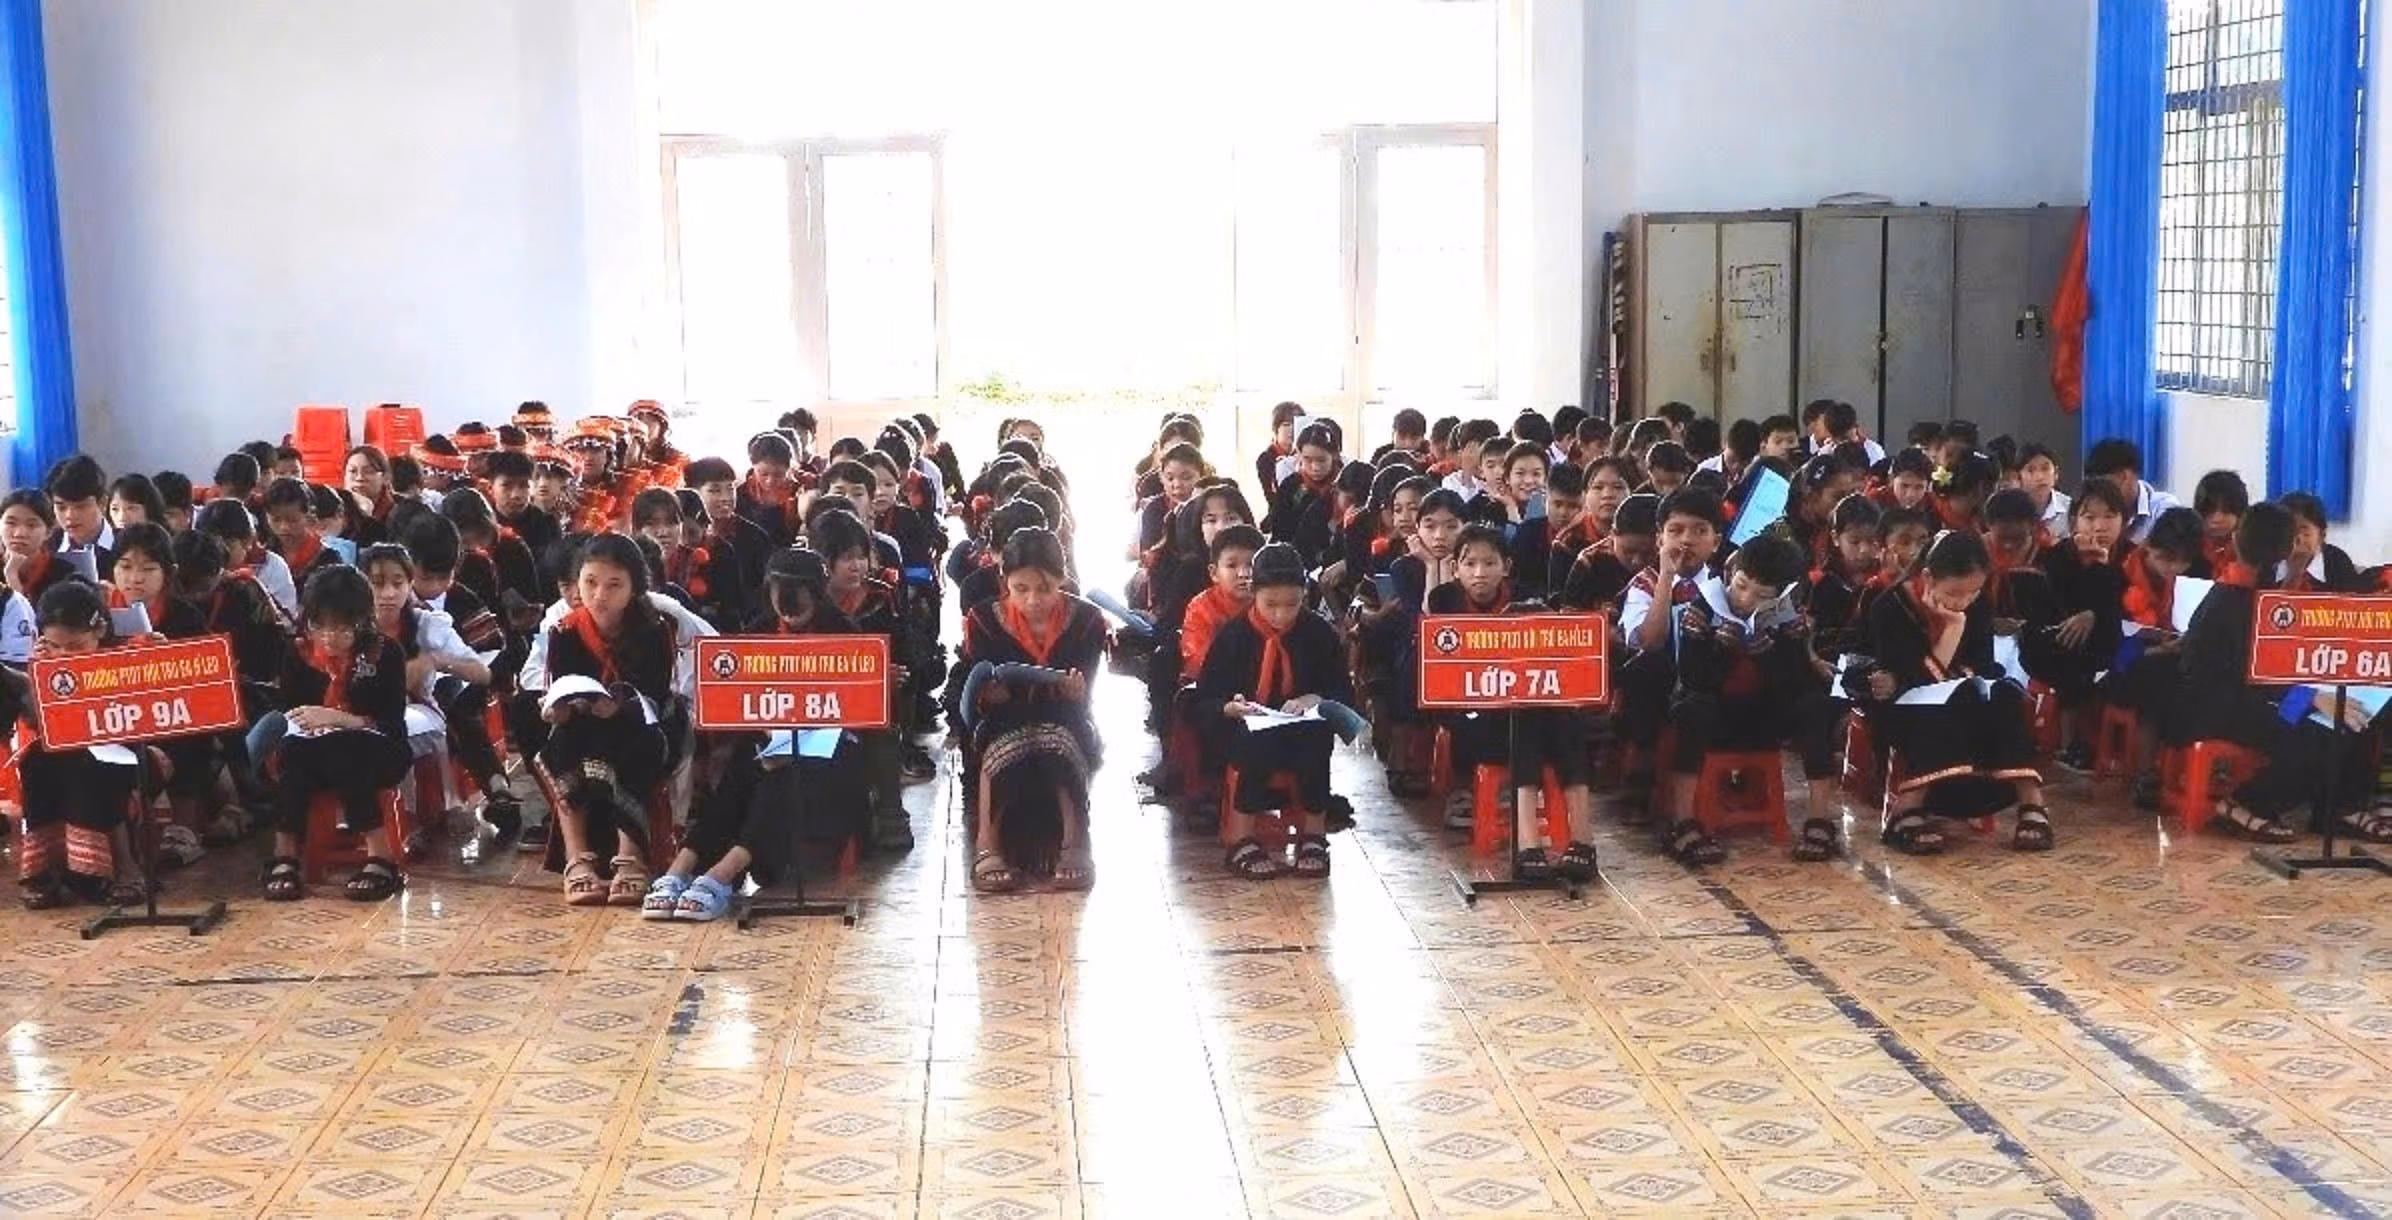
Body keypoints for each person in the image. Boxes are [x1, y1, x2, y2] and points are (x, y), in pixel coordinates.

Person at [648, 549, 867, 921]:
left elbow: (853, 708)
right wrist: (769, 729)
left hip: (829, 748)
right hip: (766, 739)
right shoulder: (756, 632)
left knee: (782, 780)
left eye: (799, 600)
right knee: (738, 773)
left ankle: (720, 876)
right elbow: (742, 699)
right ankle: (678, 871)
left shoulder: (843, 632)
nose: (790, 611)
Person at [2162, 502, 2387, 842]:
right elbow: (2252, 676)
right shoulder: (2236, 598)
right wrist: (2309, 698)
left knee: (2354, 715)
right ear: (2283, 550)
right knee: (2317, 735)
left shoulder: (2258, 588)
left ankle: (2339, 807)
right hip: (2218, 706)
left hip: (2252, 695)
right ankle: (2246, 804)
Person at [1426, 524, 1601, 880]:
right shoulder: (1445, 600)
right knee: (1526, 717)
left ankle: (1579, 840)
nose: (1479, 573)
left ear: (1505, 566)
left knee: (1561, 715)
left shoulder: (1527, 599)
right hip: (1474, 722)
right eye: (1470, 563)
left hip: (1532, 714)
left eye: (1489, 563)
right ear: (1456, 568)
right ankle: (1530, 842)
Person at [1860, 530, 2052, 855]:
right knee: (1937, 711)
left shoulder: (1979, 604)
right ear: (1928, 577)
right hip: (1903, 706)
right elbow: (1909, 678)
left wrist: (1961, 676)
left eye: (1972, 592)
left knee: (2005, 696)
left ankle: (2032, 803)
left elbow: (1983, 665)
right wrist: (1952, 629)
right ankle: (1907, 809)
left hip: (1962, 696)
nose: (1963, 602)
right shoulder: (1889, 606)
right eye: (1953, 593)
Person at [1660, 533, 1842, 864]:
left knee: (1814, 705)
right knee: (1692, 708)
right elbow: (1692, 677)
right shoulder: (1701, 611)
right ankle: (1682, 820)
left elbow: (1795, 683)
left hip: (1765, 716)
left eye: (1762, 597)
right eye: (1741, 586)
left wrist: (1767, 653)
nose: (1745, 600)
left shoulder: (1789, 621)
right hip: (1717, 716)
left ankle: (1820, 817)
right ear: (1731, 573)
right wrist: (1722, 650)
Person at [950, 527, 1106, 893]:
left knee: (1061, 735)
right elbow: (973, 685)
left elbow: (1084, 694)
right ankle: (987, 843)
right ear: (1004, 580)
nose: (1033, 600)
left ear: (1062, 580)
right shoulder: (983, 620)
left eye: (1044, 588)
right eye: (1021, 589)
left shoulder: (1087, 621)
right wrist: (988, 695)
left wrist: (1075, 691)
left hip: (1063, 712)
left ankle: (1075, 840)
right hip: (1005, 714)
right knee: (999, 740)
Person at [537, 533, 685, 906]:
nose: (599, 595)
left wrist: (620, 706)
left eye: (613, 585)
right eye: (590, 582)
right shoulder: (565, 631)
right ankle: (577, 858)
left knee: (637, 745)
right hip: (586, 722)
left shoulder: (655, 629)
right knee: (560, 743)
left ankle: (630, 857)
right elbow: (561, 687)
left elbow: (656, 694)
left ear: (635, 588)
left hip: (645, 723)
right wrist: (561, 709)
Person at [1193, 542, 1353, 879]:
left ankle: (1314, 835)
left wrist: (1314, 699)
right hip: (1244, 728)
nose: (1281, 615)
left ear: (1304, 596)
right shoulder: (1234, 636)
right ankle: (1241, 837)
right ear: (1254, 594)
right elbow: (1205, 697)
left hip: (1301, 726)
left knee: (1316, 738)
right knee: (1255, 742)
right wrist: (1231, 707)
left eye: (1292, 604)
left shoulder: (1318, 633)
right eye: (1271, 605)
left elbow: (1342, 692)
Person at [256, 565, 416, 901]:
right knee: (292, 757)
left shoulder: (385, 653)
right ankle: (285, 855)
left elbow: (390, 721)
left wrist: (340, 719)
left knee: (346, 753)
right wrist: (308, 721)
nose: (329, 637)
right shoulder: (298, 652)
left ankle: (380, 856)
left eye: (342, 628)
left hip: (378, 749)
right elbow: (290, 708)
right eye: (320, 626)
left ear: (362, 622)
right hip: (313, 749)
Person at [2084, 437, 2180, 544]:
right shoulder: (2088, 508)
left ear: (2123, 477)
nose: (2097, 490)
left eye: (2101, 483)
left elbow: (2167, 550)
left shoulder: (2164, 508)